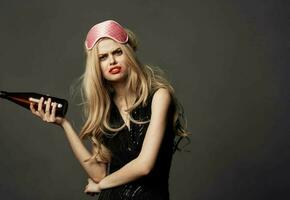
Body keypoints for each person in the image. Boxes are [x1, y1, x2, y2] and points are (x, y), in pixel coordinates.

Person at [29, 20, 188, 200]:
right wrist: (64, 124)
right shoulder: (104, 110)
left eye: (117, 52)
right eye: (103, 57)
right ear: (96, 66)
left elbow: (145, 165)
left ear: (128, 53)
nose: (112, 61)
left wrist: (100, 185)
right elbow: (99, 174)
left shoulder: (159, 97)